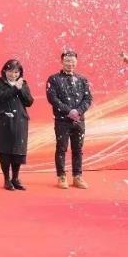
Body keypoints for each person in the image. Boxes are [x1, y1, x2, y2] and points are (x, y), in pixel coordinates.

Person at [46, 50, 93, 189]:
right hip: (62, 121)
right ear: (62, 61)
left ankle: (77, 176)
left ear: (76, 62)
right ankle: (61, 176)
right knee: (61, 148)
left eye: (72, 61)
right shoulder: (53, 79)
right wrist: (69, 111)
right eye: (67, 61)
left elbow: (88, 98)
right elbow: (52, 98)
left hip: (79, 120)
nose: (70, 63)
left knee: (78, 149)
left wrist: (78, 111)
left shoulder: (82, 79)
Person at [0, 59, 34, 191]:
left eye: (16, 72)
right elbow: (0, 97)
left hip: (20, 120)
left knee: (18, 151)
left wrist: (21, 89)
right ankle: (6, 179)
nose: (13, 75)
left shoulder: (23, 83)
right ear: (5, 71)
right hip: (4, 120)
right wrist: (15, 88)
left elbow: (29, 102)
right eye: (10, 71)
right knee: (4, 150)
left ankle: (15, 178)